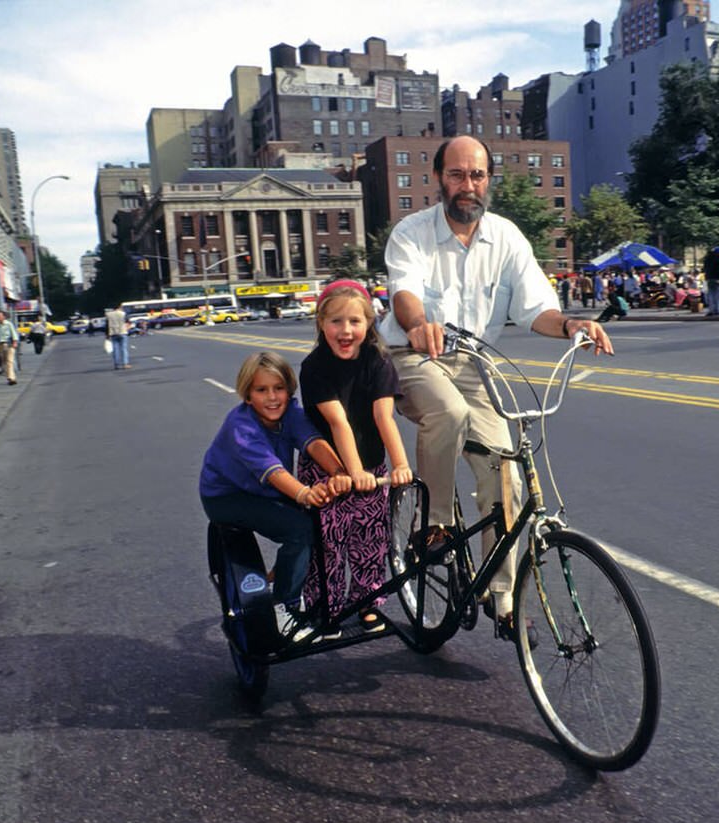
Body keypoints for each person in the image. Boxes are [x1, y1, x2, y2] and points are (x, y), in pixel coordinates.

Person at [380, 135, 612, 638]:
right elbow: (405, 294)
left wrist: (572, 325)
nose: (469, 185)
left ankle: (502, 598)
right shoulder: (412, 233)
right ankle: (436, 525)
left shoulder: (506, 238)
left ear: (489, 181)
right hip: (413, 354)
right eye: (458, 175)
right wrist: (420, 324)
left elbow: (536, 309)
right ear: (440, 178)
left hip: (475, 363)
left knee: (506, 473)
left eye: (478, 175)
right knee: (449, 413)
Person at [199, 351, 350, 640]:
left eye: (279, 388)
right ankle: (285, 608)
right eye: (261, 390)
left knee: (317, 520)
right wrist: (305, 493)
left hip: (264, 489)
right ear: (247, 395)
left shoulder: (291, 412)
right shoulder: (241, 427)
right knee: (299, 529)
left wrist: (339, 472)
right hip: (226, 497)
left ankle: (284, 580)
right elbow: (274, 473)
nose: (272, 397)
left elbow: (314, 442)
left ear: (289, 391)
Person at [296, 280, 413, 630]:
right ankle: (326, 606)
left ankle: (366, 601)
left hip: (371, 465)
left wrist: (401, 464)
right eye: (336, 322)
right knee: (328, 542)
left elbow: (383, 417)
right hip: (327, 468)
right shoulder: (314, 366)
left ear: (369, 324)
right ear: (321, 323)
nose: (345, 331)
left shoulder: (378, 361)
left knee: (370, 538)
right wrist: (353, 471)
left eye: (355, 322)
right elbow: (338, 422)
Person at [0, 309, 20, 385]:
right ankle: (11, 377)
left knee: (9, 361)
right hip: (0, 345)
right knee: (4, 362)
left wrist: (15, 342)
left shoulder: (9, 324)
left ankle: (11, 378)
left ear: (4, 316)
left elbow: (14, 333)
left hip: (9, 344)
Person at [703, 247, 719, 316]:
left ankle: (711, 310)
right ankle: (717, 310)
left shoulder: (707, 259)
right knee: (717, 295)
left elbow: (705, 269)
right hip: (717, 278)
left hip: (709, 278)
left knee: (711, 295)